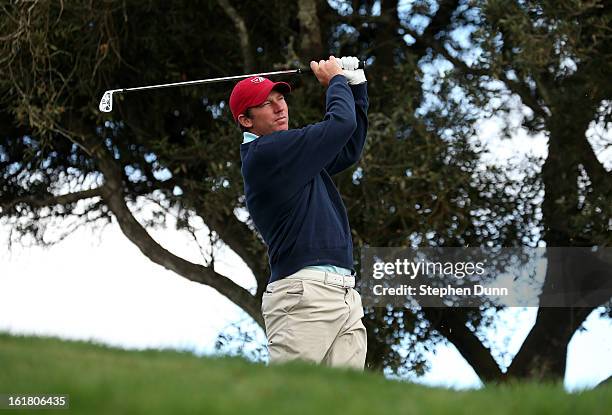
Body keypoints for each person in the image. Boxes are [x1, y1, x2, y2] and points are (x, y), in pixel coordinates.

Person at [229, 56, 368, 370]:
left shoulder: (292, 156)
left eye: (280, 99)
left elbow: (348, 147)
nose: (280, 107)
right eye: (267, 104)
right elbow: (340, 124)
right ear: (246, 120)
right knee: (287, 399)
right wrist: (336, 82)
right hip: (303, 295)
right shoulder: (266, 153)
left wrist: (356, 87)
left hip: (343, 293)